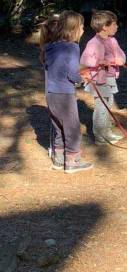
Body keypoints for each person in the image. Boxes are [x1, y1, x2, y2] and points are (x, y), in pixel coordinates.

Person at [40, 10, 92, 173]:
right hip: (65, 95)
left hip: (51, 94)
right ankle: (72, 161)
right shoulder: (72, 47)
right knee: (72, 128)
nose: (84, 30)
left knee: (58, 126)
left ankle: (58, 158)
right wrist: (82, 79)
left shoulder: (50, 46)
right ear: (74, 29)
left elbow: (54, 69)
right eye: (82, 27)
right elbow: (72, 74)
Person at [80, 10, 126, 145]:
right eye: (114, 24)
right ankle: (100, 136)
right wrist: (98, 62)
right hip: (98, 80)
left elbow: (122, 57)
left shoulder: (113, 41)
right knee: (102, 107)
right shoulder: (93, 43)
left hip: (110, 78)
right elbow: (85, 60)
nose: (117, 27)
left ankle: (107, 132)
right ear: (105, 27)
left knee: (108, 104)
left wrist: (116, 60)